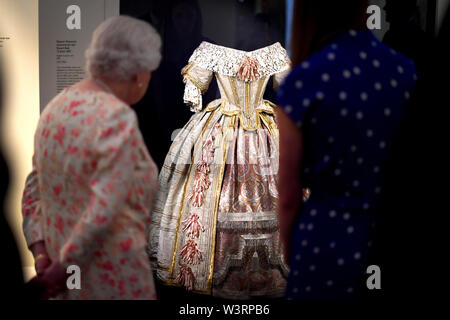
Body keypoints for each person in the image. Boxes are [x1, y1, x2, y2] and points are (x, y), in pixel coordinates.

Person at [276, 0, 417, 300]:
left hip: (325, 240)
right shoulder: (404, 72)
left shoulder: (303, 82)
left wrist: (292, 248)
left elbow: (288, 196)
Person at [21, 16, 162, 299]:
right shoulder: (115, 116)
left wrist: (42, 257)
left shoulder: (56, 107)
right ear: (138, 73)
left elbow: (33, 191)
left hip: (64, 284)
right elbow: (105, 208)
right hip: (112, 279)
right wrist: (64, 266)